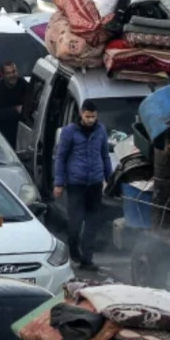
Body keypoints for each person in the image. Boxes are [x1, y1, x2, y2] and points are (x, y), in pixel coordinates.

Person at [53, 101, 112, 271]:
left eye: (93, 117)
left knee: (92, 223)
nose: (91, 120)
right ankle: (74, 249)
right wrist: (59, 183)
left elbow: (105, 156)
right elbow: (61, 157)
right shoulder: (69, 132)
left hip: (94, 184)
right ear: (81, 114)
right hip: (76, 184)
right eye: (88, 116)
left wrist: (109, 178)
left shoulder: (100, 131)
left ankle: (87, 259)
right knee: (75, 223)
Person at [0, 62, 28, 147]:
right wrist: (15, 110)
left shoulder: (22, 84)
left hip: (20, 129)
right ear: (2, 75)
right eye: (8, 73)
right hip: (3, 130)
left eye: (13, 72)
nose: (12, 75)